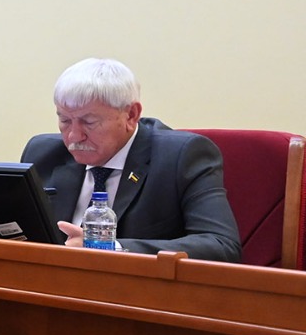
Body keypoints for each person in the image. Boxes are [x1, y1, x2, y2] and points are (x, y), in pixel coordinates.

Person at [21, 58, 241, 261]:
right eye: (65, 120)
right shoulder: (42, 153)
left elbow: (221, 246)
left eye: (89, 122)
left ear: (131, 115)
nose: (74, 136)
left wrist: (108, 247)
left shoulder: (181, 157)